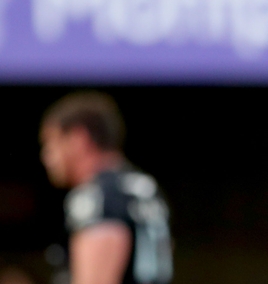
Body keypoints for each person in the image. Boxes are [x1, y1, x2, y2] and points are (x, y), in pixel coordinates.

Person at [39, 91, 173, 284]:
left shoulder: (97, 197)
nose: (47, 157)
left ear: (78, 138)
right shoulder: (144, 188)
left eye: (51, 143)